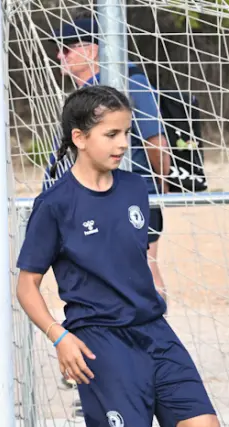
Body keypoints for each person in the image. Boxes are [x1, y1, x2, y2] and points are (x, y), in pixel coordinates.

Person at [16, 85, 220, 427]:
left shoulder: (135, 188)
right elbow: (26, 286)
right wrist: (61, 338)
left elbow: (143, 250)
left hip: (153, 330)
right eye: (111, 134)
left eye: (126, 132)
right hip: (99, 340)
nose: (122, 143)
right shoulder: (55, 204)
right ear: (79, 138)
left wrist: (153, 282)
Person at [50, 15, 171, 300]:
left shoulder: (131, 83)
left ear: (91, 50)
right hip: (91, 198)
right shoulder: (84, 95)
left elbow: (156, 141)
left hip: (134, 195)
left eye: (66, 48)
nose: (59, 55)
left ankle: (155, 335)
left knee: (144, 269)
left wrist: (160, 183)